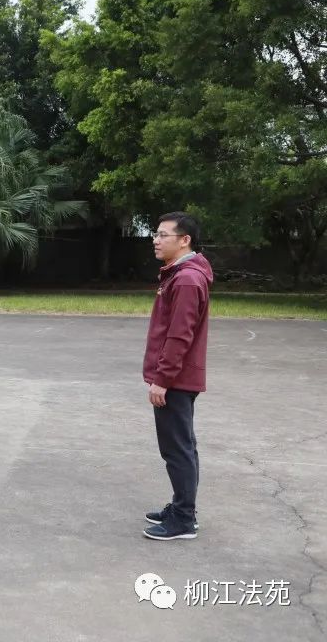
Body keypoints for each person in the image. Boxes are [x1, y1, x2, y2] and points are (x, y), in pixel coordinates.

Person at [142, 212, 213, 542]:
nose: (156, 240)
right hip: (178, 378)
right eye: (155, 234)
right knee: (183, 446)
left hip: (176, 379)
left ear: (184, 240)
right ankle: (182, 507)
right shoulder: (180, 274)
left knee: (177, 449)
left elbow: (179, 335)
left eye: (162, 235)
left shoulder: (185, 279)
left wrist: (163, 379)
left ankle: (184, 519)